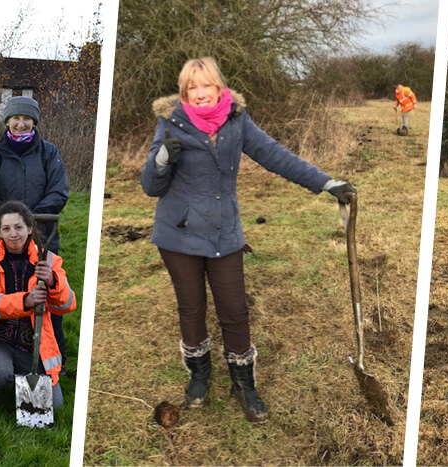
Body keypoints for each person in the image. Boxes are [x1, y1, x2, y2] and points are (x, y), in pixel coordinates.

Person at [140, 57, 356, 423]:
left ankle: (243, 383)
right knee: (191, 308)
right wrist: (160, 160)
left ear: (219, 87)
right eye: (192, 87)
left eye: (206, 85)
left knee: (235, 310)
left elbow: (276, 156)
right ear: (184, 92)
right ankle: (199, 374)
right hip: (179, 234)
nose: (201, 93)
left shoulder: (236, 120)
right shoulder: (170, 123)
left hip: (225, 234)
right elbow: (151, 187)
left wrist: (324, 182)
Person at [0, 95, 71, 370]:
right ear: (7, 121)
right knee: (4, 291)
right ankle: (0, 349)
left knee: (47, 292)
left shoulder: (48, 152)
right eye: (16, 118)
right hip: (3, 234)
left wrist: (30, 219)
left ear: (34, 122)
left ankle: (56, 357)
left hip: (42, 234)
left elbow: (59, 190)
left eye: (26, 119)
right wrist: (11, 220)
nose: (21, 123)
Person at [0, 201, 76, 410]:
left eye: (18, 227)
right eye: (6, 229)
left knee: (56, 405)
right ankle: (4, 379)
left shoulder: (49, 260)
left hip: (34, 345)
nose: (13, 234)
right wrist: (26, 301)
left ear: (30, 228)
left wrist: (53, 281)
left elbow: (68, 304)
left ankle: (20, 381)